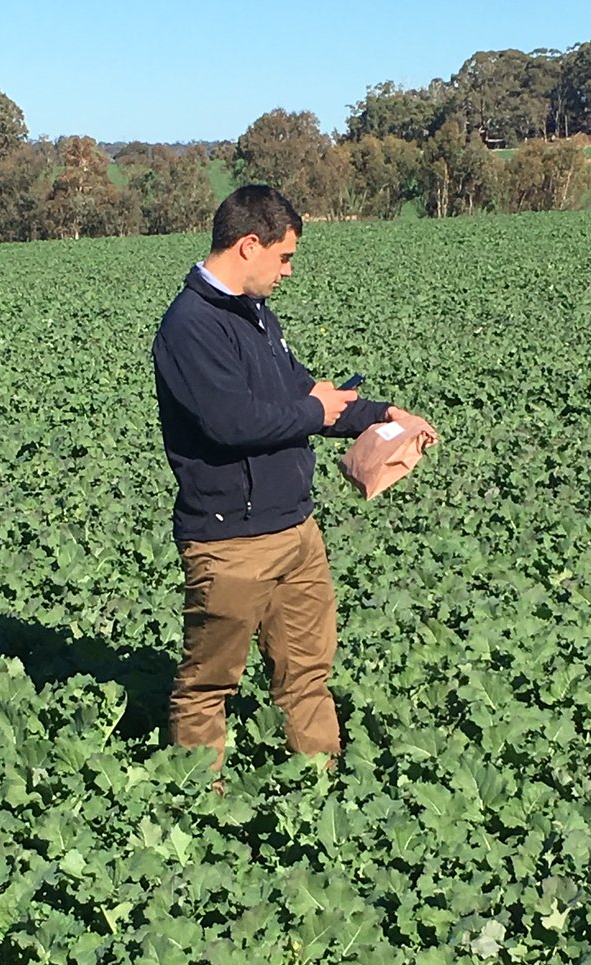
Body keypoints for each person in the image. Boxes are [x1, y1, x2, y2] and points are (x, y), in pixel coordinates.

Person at [153, 184, 413, 769]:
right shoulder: (190, 326)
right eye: (285, 256)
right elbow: (231, 423)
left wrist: (383, 416)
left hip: (295, 529)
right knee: (207, 685)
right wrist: (313, 412)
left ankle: (321, 787)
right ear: (249, 245)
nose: (289, 271)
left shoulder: (255, 315)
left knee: (306, 673)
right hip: (230, 541)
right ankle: (198, 807)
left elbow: (301, 391)